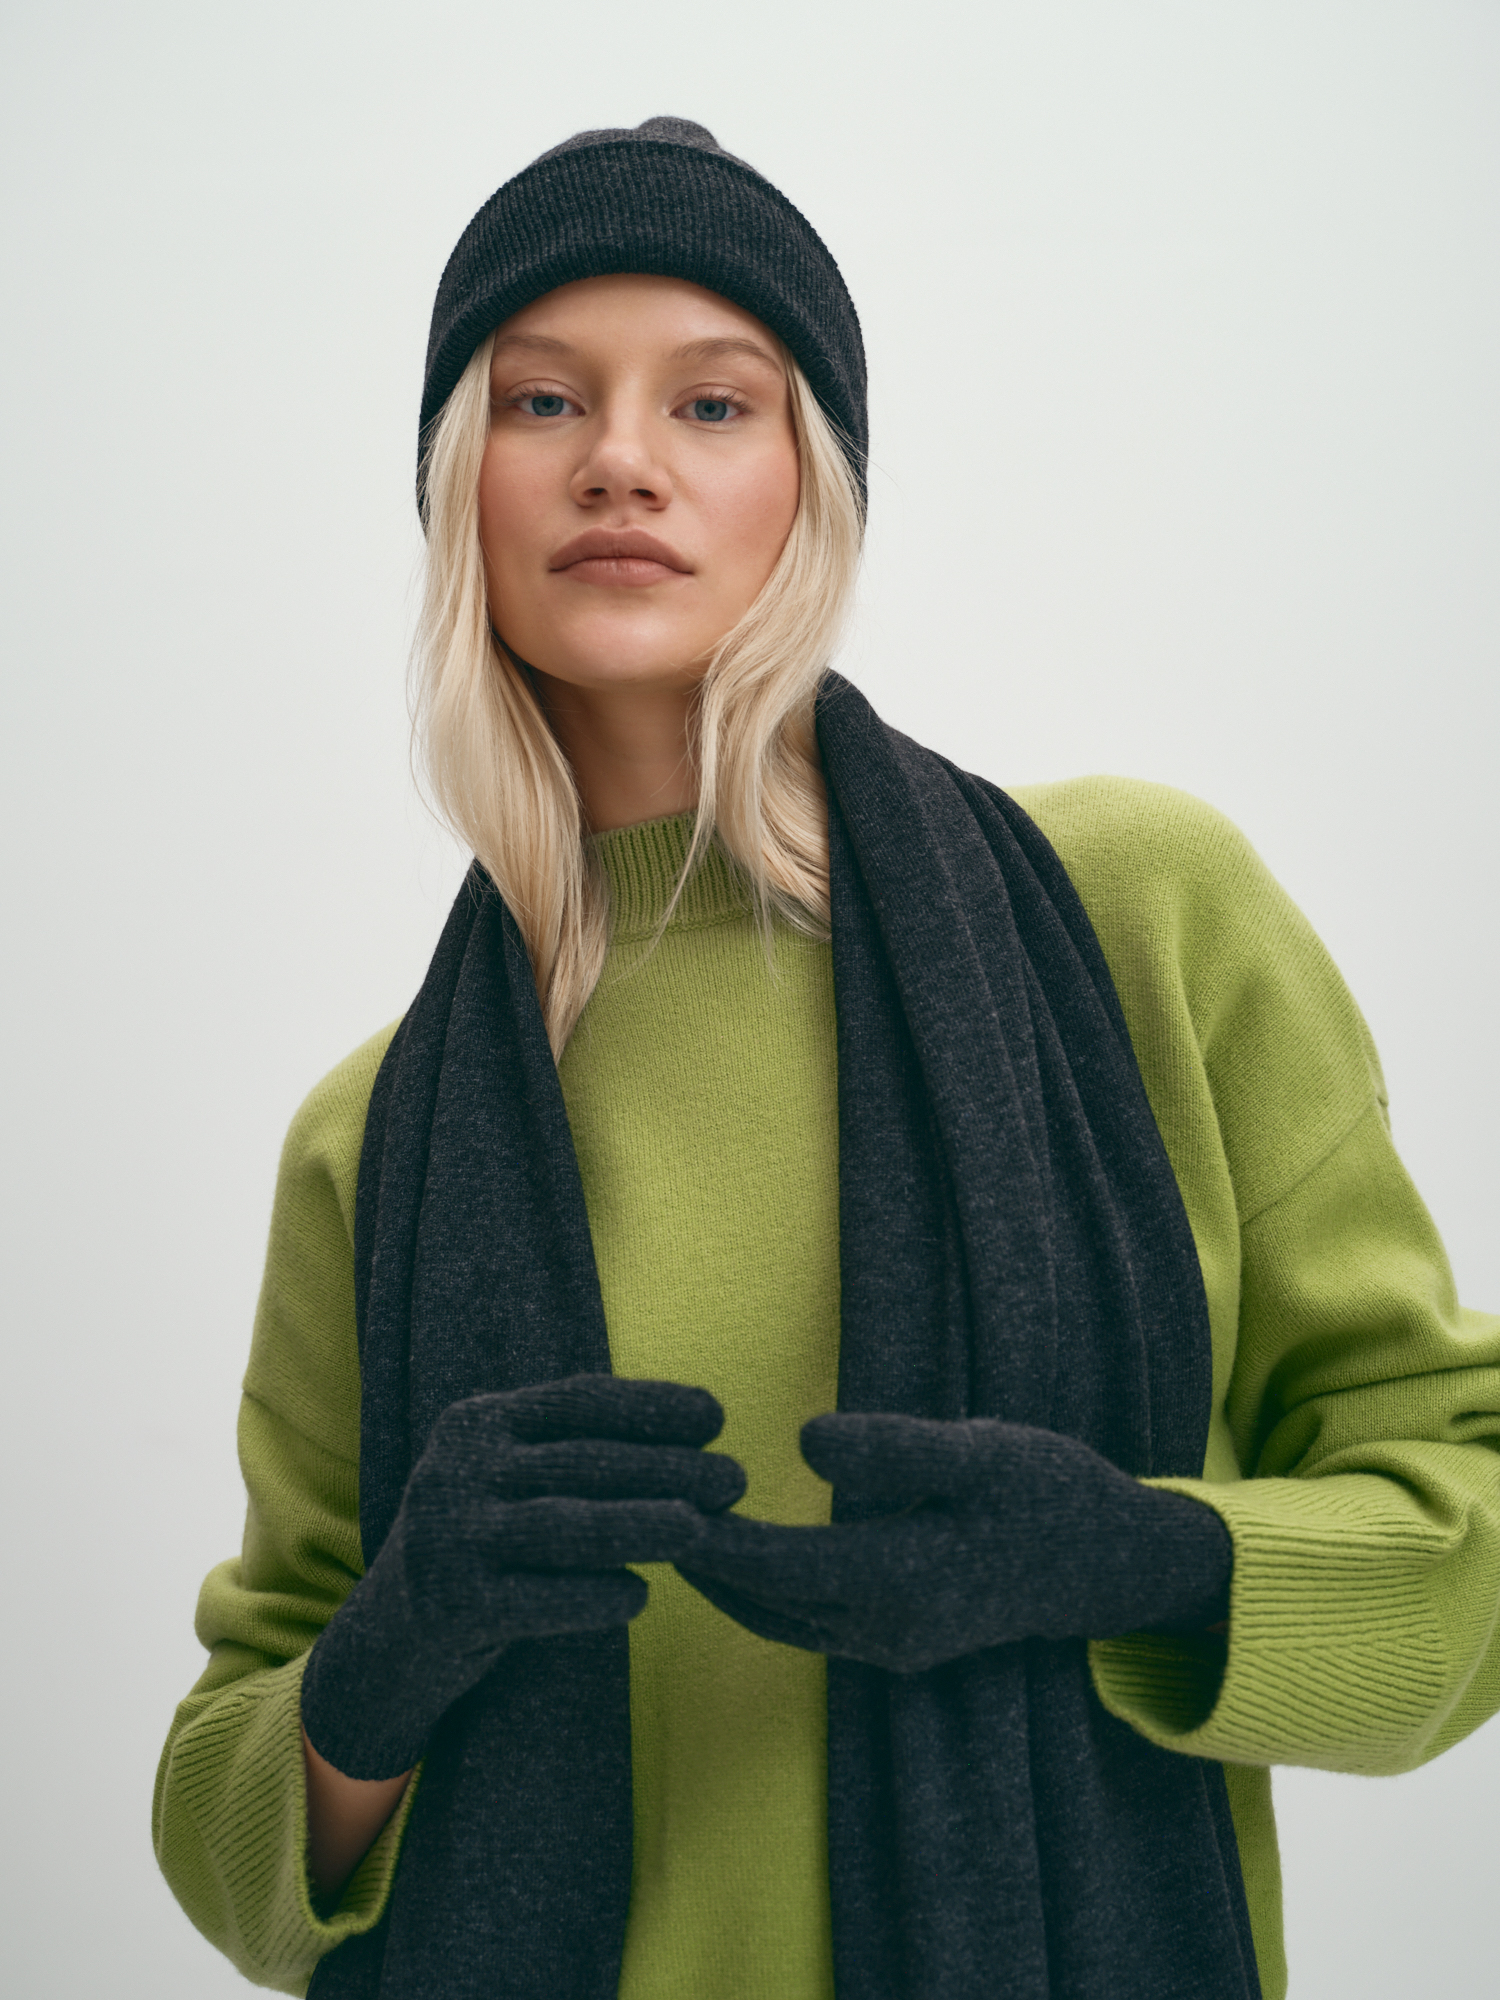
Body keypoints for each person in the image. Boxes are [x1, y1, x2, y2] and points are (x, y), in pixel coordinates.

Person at [153, 118, 1500, 2000]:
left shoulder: (1139, 919)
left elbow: (1465, 1523)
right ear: (461, 487)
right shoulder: (379, 1135)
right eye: (544, 401)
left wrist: (1142, 1562)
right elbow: (227, 1820)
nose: (621, 459)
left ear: (817, 486)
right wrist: (386, 1658)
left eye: (714, 404)